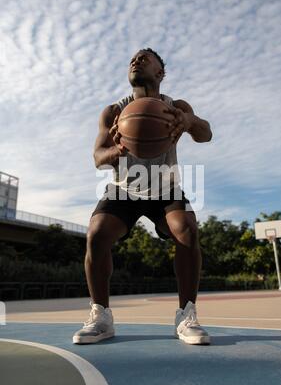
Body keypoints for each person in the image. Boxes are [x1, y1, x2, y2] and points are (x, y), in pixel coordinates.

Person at [73, 48, 212, 346]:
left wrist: (188, 122)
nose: (136, 60)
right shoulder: (113, 112)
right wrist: (117, 150)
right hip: (124, 189)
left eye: (145, 58)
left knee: (186, 229)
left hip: (165, 189)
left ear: (160, 73)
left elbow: (206, 134)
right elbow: (98, 157)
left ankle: (186, 315)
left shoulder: (177, 107)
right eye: (133, 58)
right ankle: (101, 317)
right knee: (96, 234)